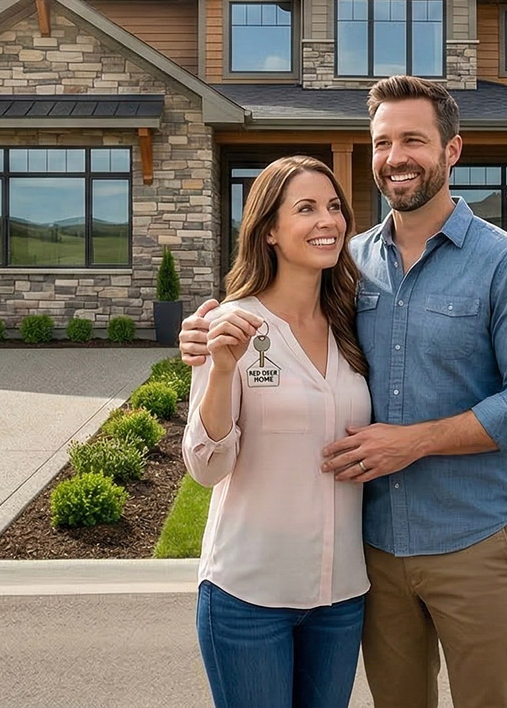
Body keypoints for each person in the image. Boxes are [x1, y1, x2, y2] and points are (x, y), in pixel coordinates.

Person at [183, 75, 507, 708]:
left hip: (469, 539)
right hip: (373, 553)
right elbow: (272, 331)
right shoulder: (349, 268)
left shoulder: (506, 262)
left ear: (452, 150)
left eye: (413, 139)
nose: (395, 157)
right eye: (382, 142)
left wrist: (413, 443)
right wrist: (205, 343)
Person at [182, 154, 374, 708]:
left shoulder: (354, 324)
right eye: (307, 208)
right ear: (269, 230)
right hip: (248, 595)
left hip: (340, 597)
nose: (328, 221)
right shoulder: (228, 325)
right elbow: (206, 467)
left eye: (335, 207)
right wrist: (220, 370)